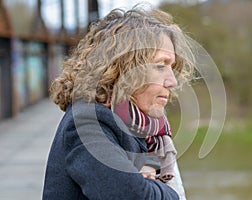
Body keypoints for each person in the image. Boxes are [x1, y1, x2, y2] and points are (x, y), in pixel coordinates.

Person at [43, 3, 194, 200]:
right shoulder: (88, 124)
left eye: (171, 68)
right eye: (160, 66)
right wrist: (169, 193)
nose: (172, 81)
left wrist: (148, 182)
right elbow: (129, 195)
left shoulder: (142, 125)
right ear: (123, 68)